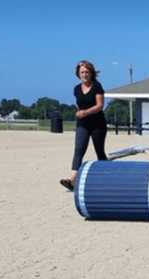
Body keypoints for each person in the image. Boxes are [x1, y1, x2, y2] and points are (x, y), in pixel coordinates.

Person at [60, 60, 108, 190]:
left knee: (100, 152)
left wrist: (85, 112)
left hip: (98, 124)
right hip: (83, 124)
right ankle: (72, 180)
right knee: (79, 150)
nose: (84, 74)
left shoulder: (97, 86)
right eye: (82, 72)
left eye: (87, 72)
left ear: (91, 73)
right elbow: (79, 105)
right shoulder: (76, 89)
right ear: (78, 74)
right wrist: (79, 113)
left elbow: (99, 106)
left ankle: (107, 176)